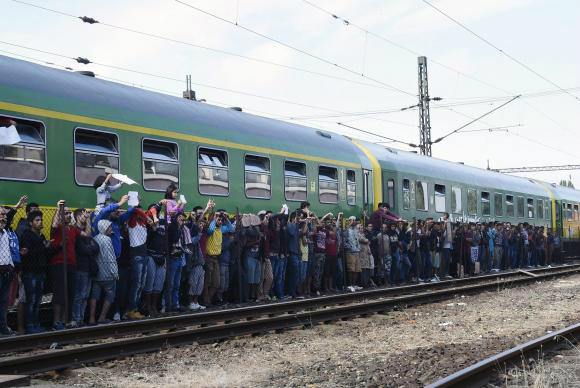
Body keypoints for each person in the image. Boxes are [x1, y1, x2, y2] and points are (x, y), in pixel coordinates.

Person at [71, 208, 99, 327]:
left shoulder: (86, 231)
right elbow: (84, 248)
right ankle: (76, 318)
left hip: (88, 267)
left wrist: (90, 249)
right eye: (84, 215)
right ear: (77, 216)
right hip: (80, 267)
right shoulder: (75, 231)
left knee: (85, 295)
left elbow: (96, 248)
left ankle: (81, 318)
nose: (86, 217)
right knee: (79, 295)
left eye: (87, 215)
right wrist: (90, 248)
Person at [89, 220, 118, 324]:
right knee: (110, 294)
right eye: (109, 227)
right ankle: (102, 317)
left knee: (94, 295)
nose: (111, 229)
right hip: (107, 275)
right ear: (105, 228)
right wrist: (115, 273)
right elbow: (111, 257)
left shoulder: (95, 238)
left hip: (97, 273)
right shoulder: (107, 239)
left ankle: (91, 318)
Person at [205, 208, 235, 305]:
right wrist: (215, 218)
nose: (220, 221)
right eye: (219, 220)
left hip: (216, 259)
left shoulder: (221, 229)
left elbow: (231, 229)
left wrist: (226, 219)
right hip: (209, 258)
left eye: (221, 220)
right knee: (208, 282)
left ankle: (208, 300)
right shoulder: (211, 227)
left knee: (216, 283)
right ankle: (206, 301)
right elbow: (209, 231)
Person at [0, 207, 21, 336]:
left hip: (7, 271)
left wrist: (11, 267)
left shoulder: (5, 233)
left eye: (4, 215)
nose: (3, 217)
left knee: (3, 302)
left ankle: (3, 328)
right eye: (1, 215)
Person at [344, 216, 361, 288]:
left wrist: (358, 247)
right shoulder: (347, 230)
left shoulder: (356, 230)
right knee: (351, 269)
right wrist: (349, 247)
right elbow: (344, 241)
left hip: (357, 251)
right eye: (352, 220)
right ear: (349, 221)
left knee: (357, 269)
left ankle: (354, 284)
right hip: (350, 252)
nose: (354, 221)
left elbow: (357, 239)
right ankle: (351, 285)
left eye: (354, 220)